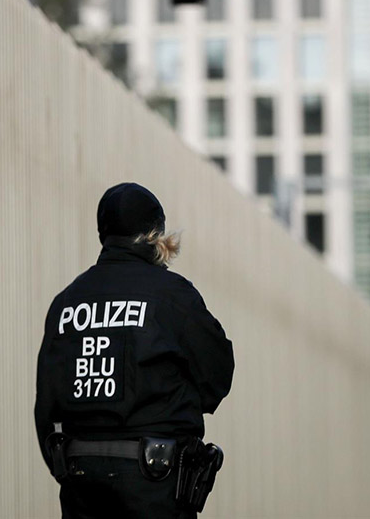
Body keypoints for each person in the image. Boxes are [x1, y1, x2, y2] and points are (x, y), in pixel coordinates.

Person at [34, 182, 235, 518]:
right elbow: (216, 378)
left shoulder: (66, 303)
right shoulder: (172, 295)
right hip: (155, 482)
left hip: (81, 483)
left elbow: (47, 405)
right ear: (155, 234)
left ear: (103, 234)